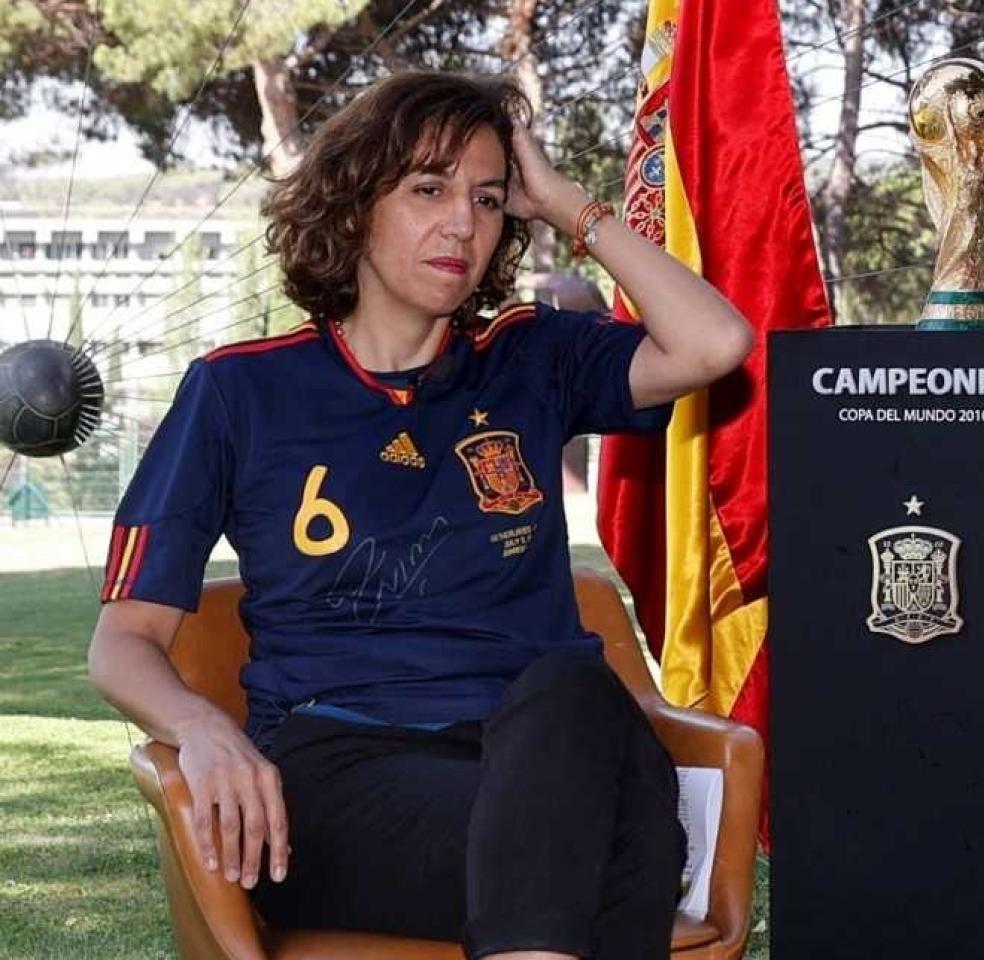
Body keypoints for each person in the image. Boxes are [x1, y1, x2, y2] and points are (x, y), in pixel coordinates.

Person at [86, 71, 753, 960]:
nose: (463, 225)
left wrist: (564, 204)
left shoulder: (531, 359)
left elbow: (716, 345)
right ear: (356, 204)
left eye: (486, 199)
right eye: (428, 190)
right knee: (608, 846)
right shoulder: (240, 390)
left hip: (548, 748)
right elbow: (121, 640)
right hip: (340, 776)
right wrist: (204, 730)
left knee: (569, 690)